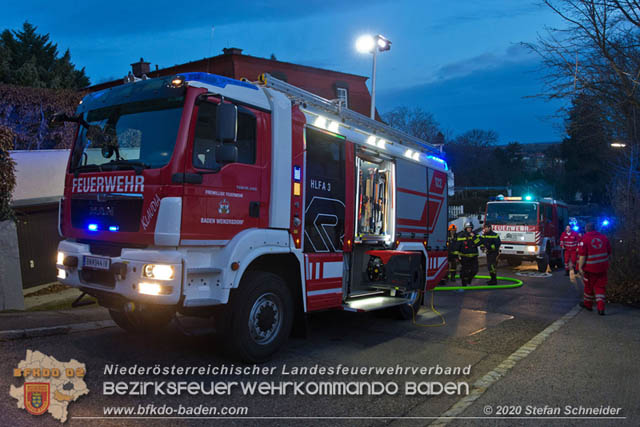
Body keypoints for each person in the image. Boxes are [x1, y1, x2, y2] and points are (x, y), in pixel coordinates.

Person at [578, 222, 611, 315]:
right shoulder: (603, 237)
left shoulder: (584, 239)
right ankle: (601, 308)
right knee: (600, 287)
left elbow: (582, 256)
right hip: (602, 267)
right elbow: (609, 251)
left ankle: (588, 305)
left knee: (588, 287)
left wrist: (580, 267)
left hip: (590, 269)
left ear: (586, 229)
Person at [454, 221, 481, 286]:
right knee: (464, 271)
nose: (469, 229)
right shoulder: (461, 235)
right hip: (464, 257)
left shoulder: (475, 234)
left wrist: (474, 237)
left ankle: (469, 280)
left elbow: (479, 243)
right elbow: (457, 246)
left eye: (470, 228)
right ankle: (464, 284)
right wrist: (456, 256)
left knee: (475, 270)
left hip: (474, 257)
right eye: (468, 228)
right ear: (465, 228)